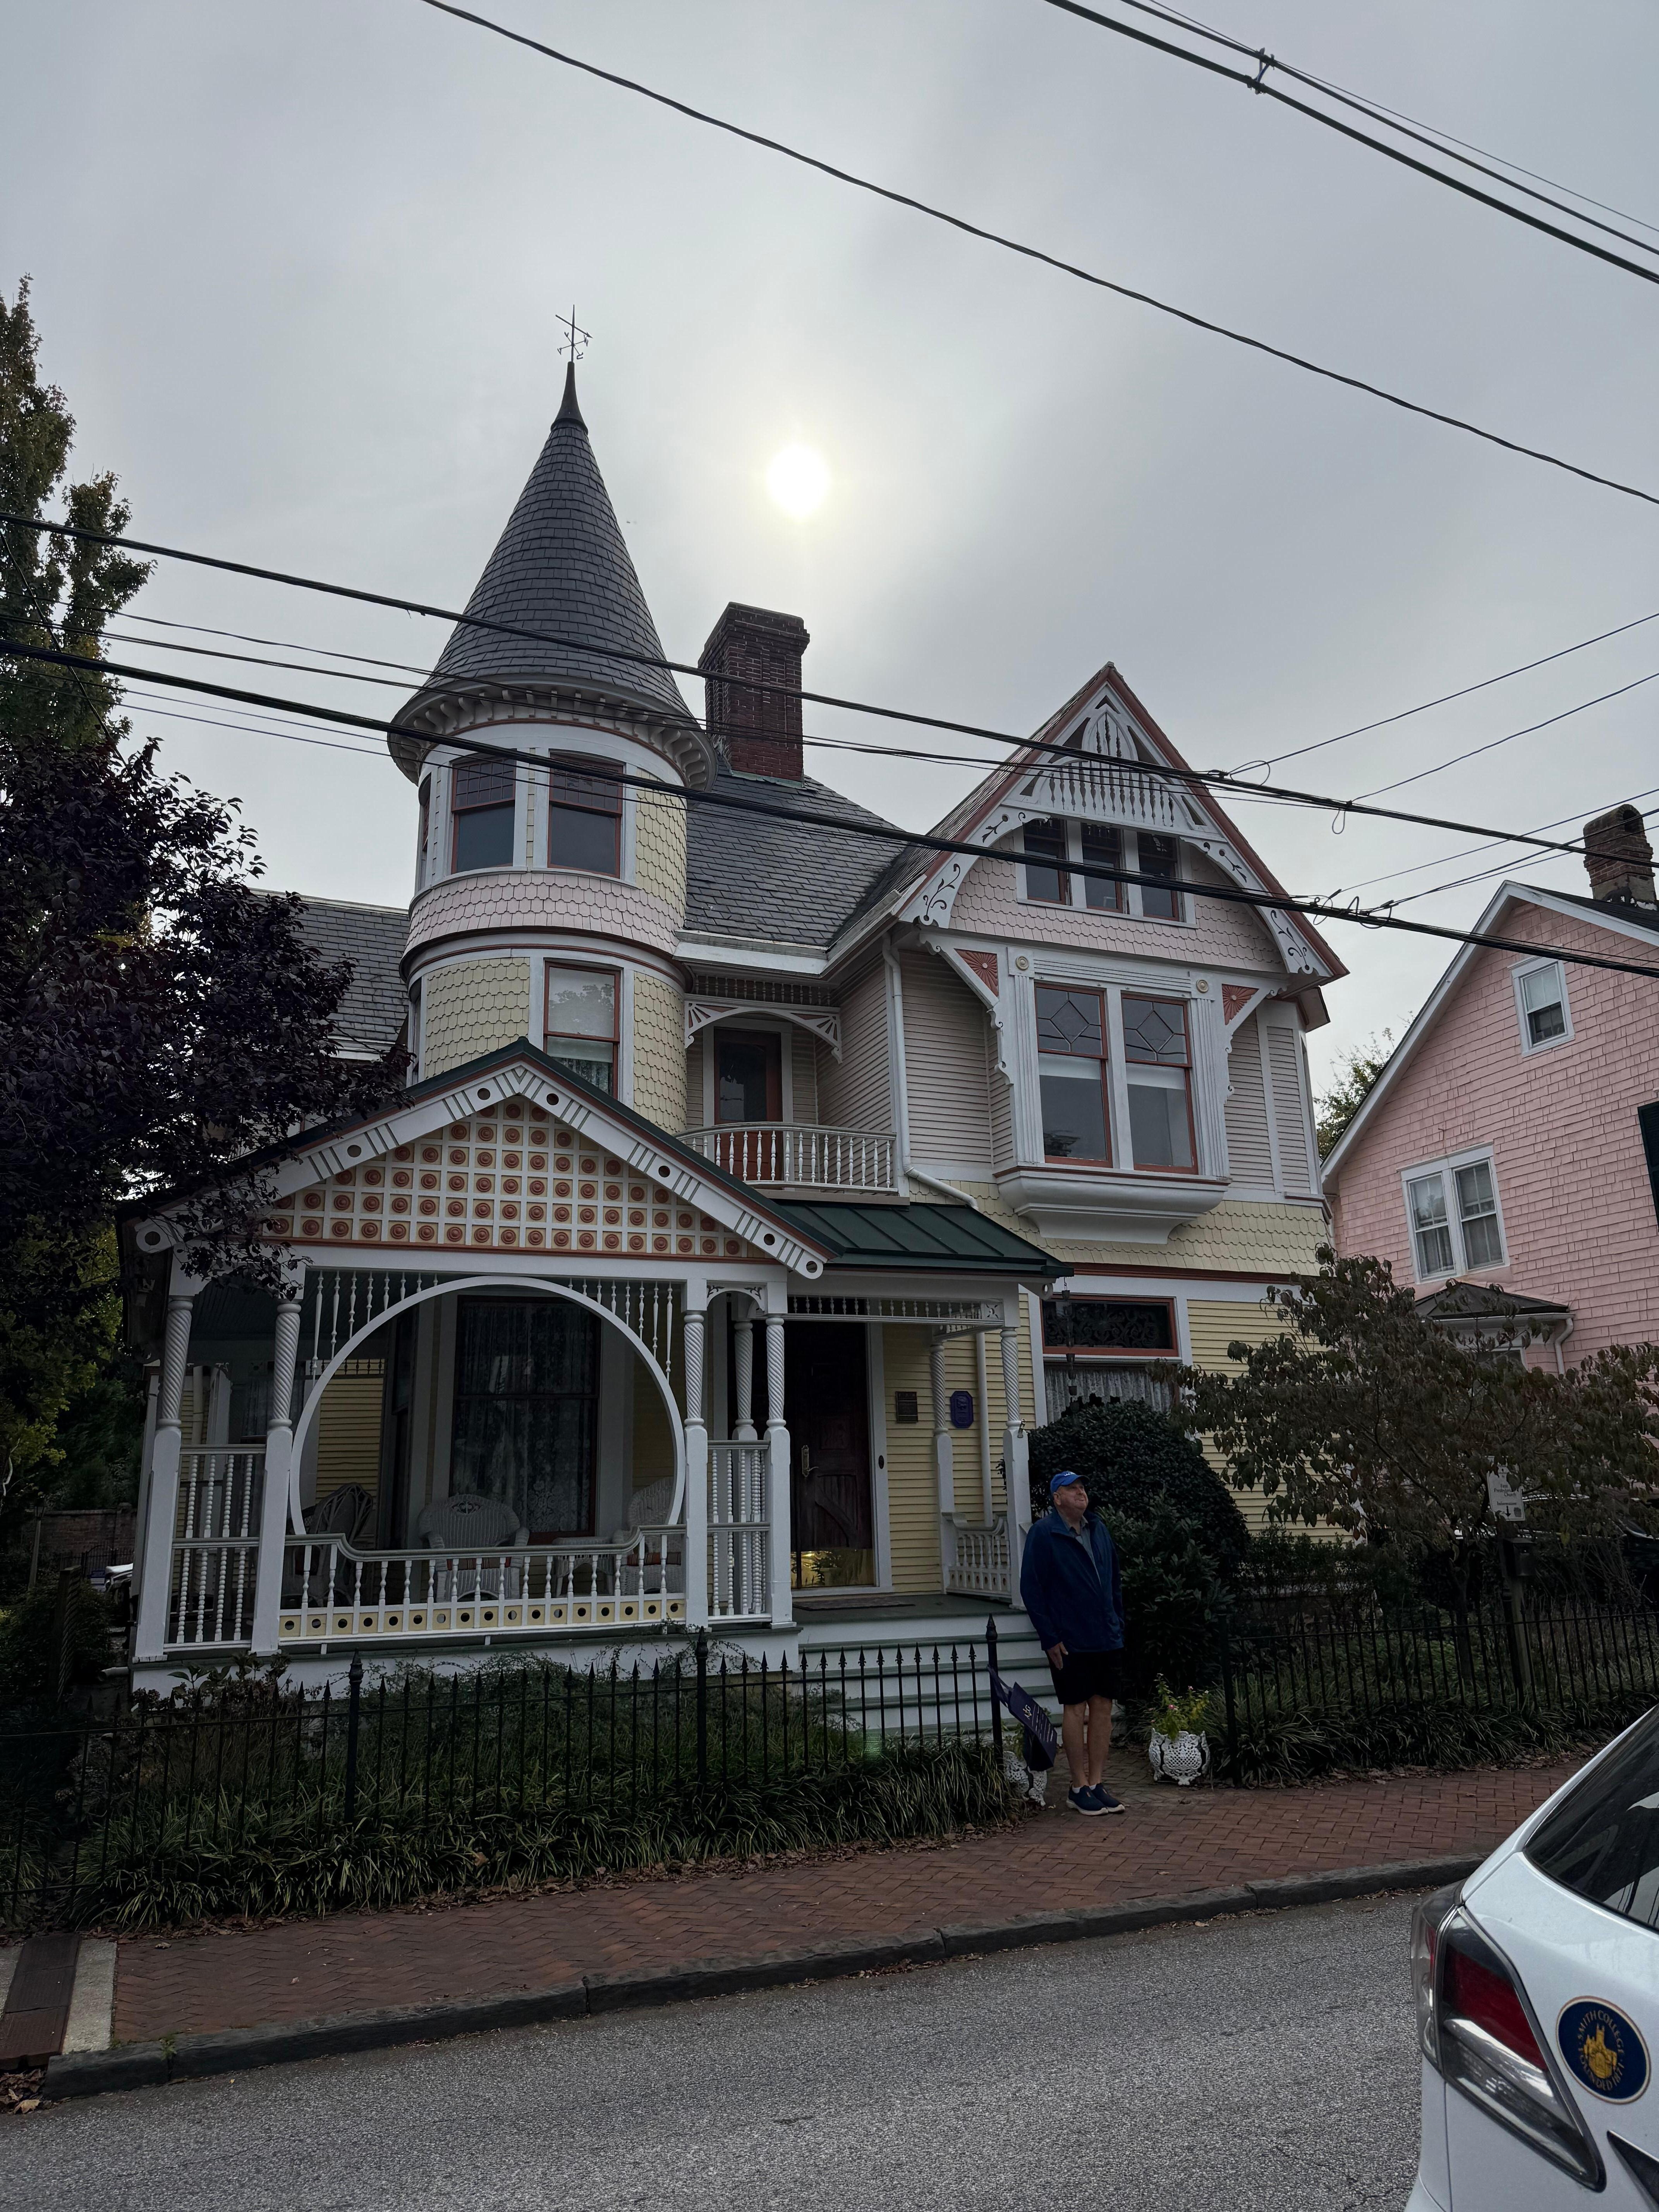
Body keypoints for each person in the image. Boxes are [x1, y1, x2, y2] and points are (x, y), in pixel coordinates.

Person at [1019, 1469, 1125, 1815]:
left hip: (1106, 1636)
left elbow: (1114, 1581)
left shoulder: (1099, 1529)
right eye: (1072, 1488)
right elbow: (1031, 1589)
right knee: (1076, 1708)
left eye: (1082, 1487)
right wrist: (1049, 1637)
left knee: (1103, 1707)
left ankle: (1096, 1783)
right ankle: (1078, 1787)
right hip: (1069, 1641)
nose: (1081, 1492)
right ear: (1057, 1498)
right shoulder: (1044, 1533)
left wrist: (1118, 1623)